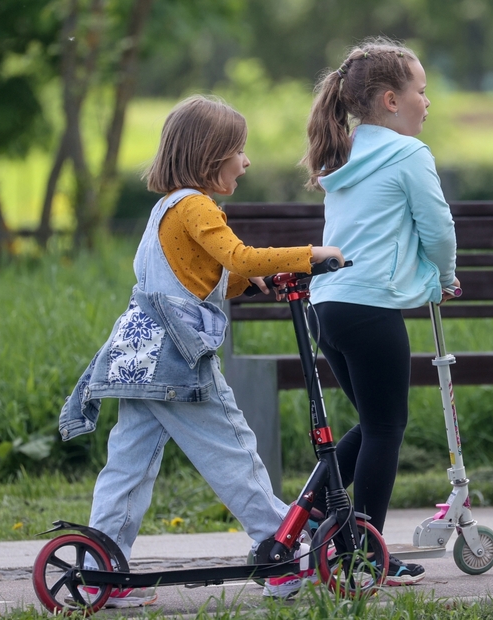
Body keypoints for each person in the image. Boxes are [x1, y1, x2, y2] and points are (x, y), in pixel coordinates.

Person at [57, 94, 343, 607]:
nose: (246, 161)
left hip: (137, 357)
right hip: (179, 359)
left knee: (127, 466)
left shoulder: (164, 209)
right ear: (212, 157)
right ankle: (282, 547)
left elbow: (194, 278)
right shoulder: (196, 206)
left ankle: (100, 566)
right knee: (233, 453)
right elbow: (238, 255)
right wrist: (310, 253)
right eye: (239, 150)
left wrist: (246, 285)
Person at [300, 36, 459, 586]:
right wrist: (444, 277)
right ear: (391, 100)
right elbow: (437, 228)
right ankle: (365, 551)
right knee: (387, 427)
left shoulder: (341, 157)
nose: (427, 101)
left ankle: (312, 512)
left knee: (372, 422)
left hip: (328, 309)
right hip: (369, 309)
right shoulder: (410, 154)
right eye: (421, 90)